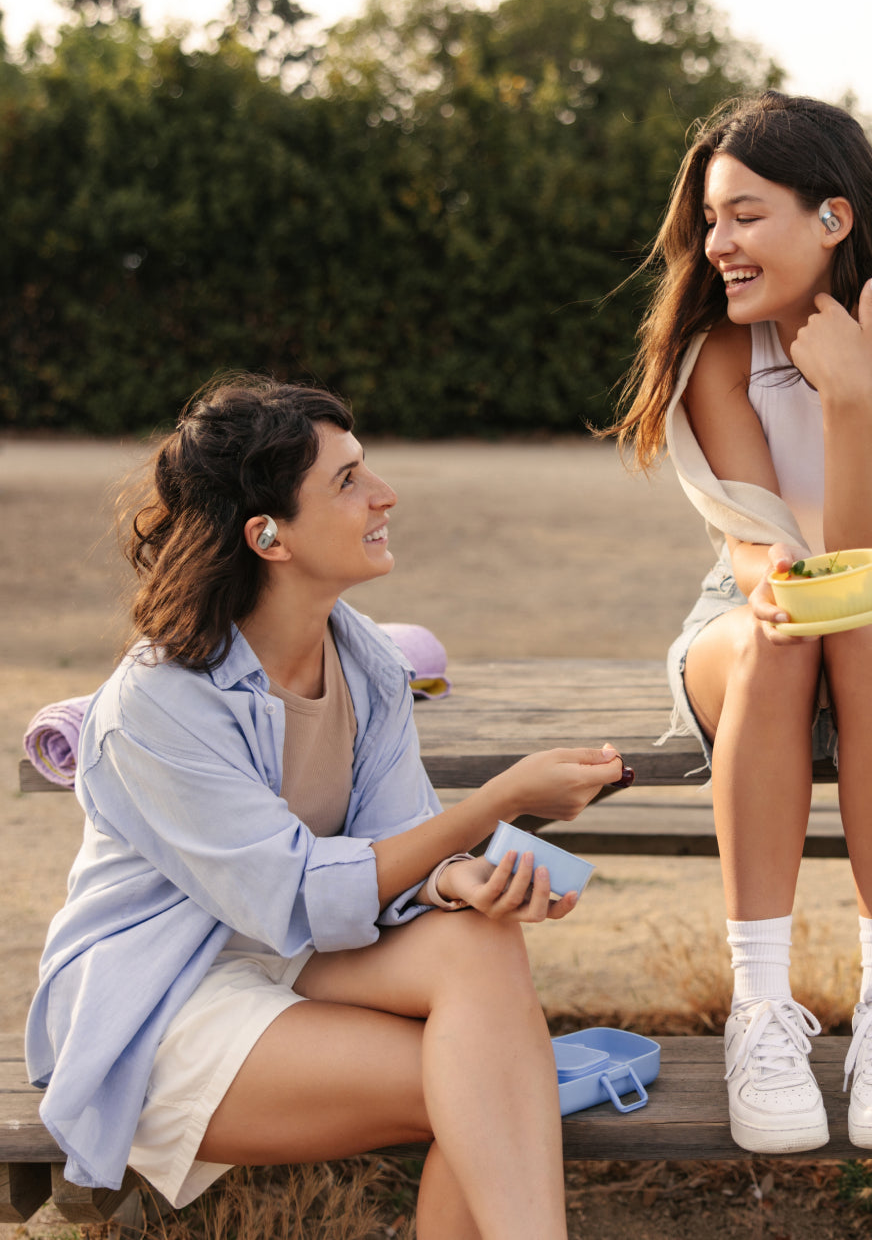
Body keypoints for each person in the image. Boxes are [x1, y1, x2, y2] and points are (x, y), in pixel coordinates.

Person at [27, 375, 628, 1240]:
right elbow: (297, 895)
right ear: (268, 535)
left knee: (480, 955)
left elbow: (394, 840)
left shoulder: (366, 657)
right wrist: (498, 803)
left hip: (294, 954)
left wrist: (465, 879)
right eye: (346, 481)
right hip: (168, 996)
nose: (385, 494)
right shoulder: (156, 705)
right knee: (486, 1081)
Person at [609, 91, 872, 1153]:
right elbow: (749, 541)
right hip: (748, 613)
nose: (717, 244)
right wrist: (771, 579)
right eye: (709, 219)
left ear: (831, 219)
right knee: (774, 641)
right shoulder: (712, 348)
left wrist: (847, 398)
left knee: (867, 625)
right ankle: (761, 1011)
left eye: (745, 215)